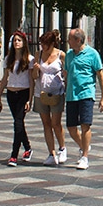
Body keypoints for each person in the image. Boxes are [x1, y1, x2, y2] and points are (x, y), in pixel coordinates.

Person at [63, 28, 103, 170]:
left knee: (85, 125)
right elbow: (66, 74)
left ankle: (85, 156)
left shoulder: (92, 54)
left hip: (86, 94)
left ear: (78, 40)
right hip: (71, 95)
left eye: (70, 39)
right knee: (71, 127)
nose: (68, 42)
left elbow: (100, 76)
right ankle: (84, 146)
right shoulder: (69, 55)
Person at [0, 31, 35, 167]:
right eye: (14, 41)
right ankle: (28, 148)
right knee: (19, 123)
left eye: (19, 40)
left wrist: (30, 99)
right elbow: (5, 78)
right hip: (11, 94)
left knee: (17, 123)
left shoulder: (29, 59)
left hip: (23, 93)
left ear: (24, 43)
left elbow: (31, 80)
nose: (16, 43)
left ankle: (14, 155)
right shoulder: (8, 59)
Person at [32, 30, 67, 166]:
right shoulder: (38, 54)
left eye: (45, 44)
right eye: (41, 43)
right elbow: (34, 77)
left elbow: (66, 72)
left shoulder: (61, 55)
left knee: (56, 123)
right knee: (46, 123)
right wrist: (36, 69)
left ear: (52, 43)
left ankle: (62, 148)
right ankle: (51, 153)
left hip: (56, 93)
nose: (43, 46)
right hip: (40, 93)